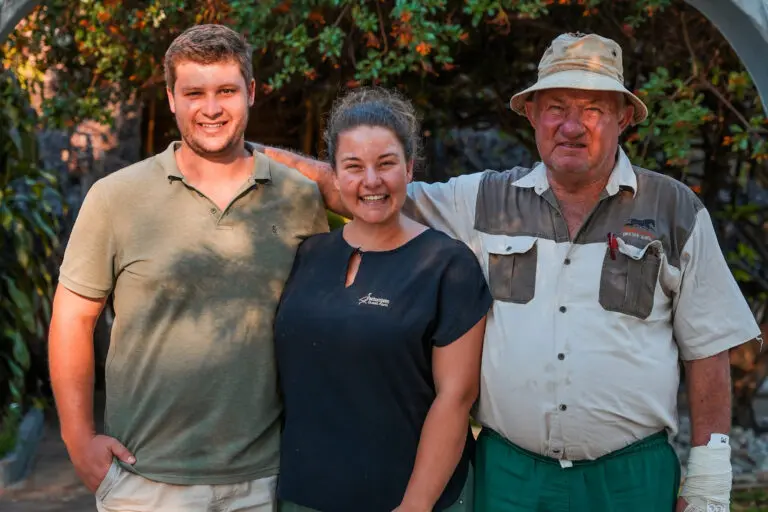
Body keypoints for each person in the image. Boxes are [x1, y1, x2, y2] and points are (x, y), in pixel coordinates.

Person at [263, 33, 762, 512]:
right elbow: (365, 191)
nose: (572, 126)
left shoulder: (674, 209)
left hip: (630, 477)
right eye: (556, 108)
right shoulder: (483, 200)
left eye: (593, 109)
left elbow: (708, 350)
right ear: (531, 115)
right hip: (511, 475)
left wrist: (710, 484)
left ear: (625, 117)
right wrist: (240, 156)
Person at [48, 24, 327, 512]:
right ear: (172, 99)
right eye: (194, 92)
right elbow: (73, 318)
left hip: (264, 479)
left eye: (226, 91)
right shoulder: (116, 197)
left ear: (252, 93)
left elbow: (318, 323)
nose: (211, 108)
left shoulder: (299, 198)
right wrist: (77, 438)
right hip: (145, 479)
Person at [273, 88, 492, 512]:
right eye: (353, 166)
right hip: (305, 495)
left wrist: (416, 505)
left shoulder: (448, 266)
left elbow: (456, 398)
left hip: (409, 499)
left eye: (386, 164)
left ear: (409, 169)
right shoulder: (308, 255)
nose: (370, 181)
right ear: (334, 176)